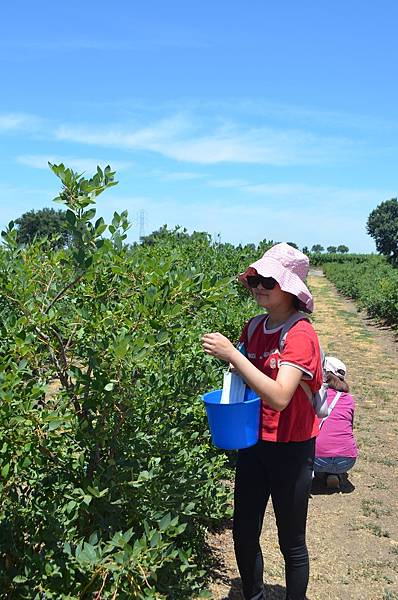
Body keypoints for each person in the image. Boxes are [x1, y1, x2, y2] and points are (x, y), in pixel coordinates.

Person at [202, 243, 323, 600]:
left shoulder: (301, 334)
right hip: (254, 441)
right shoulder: (254, 326)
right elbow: (246, 377)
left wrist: (232, 357)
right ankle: (253, 594)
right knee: (243, 529)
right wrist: (233, 364)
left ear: (289, 288)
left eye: (267, 280)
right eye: (254, 279)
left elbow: (280, 396)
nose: (257, 286)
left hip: (291, 447)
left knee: (291, 539)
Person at [314, 356, 358, 490]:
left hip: (317, 459)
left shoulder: (317, 395)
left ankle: (321, 473)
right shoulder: (349, 400)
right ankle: (333, 474)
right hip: (347, 460)